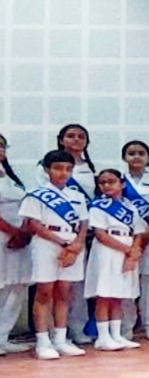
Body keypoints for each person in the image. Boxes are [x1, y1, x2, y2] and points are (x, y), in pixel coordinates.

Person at [21, 150, 89, 359]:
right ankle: (43, 342)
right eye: (58, 168)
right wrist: (62, 243)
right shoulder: (36, 194)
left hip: (72, 243)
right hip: (47, 243)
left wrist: (76, 245)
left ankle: (61, 339)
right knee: (44, 291)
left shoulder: (77, 196)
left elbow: (84, 223)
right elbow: (34, 224)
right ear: (47, 170)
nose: (63, 173)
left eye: (68, 169)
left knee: (64, 292)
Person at [41, 125, 96, 346]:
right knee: (49, 288)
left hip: (81, 234)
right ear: (61, 139)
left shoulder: (90, 168)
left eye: (81, 136)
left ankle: (76, 328)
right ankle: (48, 334)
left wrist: (83, 234)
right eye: (70, 136)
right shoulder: (44, 166)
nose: (76, 140)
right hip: (52, 235)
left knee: (75, 285)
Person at [84, 169, 144, 351]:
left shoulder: (130, 206)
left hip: (127, 247)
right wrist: (128, 250)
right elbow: (100, 234)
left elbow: (139, 232)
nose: (107, 185)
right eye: (102, 182)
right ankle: (103, 337)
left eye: (111, 181)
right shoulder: (98, 206)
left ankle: (116, 335)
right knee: (104, 294)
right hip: (107, 250)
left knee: (118, 294)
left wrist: (133, 253)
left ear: (122, 183)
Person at [119, 140, 149, 342]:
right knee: (127, 280)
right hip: (126, 237)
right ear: (124, 157)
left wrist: (148, 233)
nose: (136, 157)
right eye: (131, 153)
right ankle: (126, 326)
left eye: (141, 153)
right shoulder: (118, 181)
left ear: (148, 158)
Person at [0, 133, 32, 354]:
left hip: (20, 239)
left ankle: (3, 337)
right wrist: (12, 232)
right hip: (4, 236)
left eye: (2, 146)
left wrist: (24, 232)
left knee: (17, 286)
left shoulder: (11, 177)